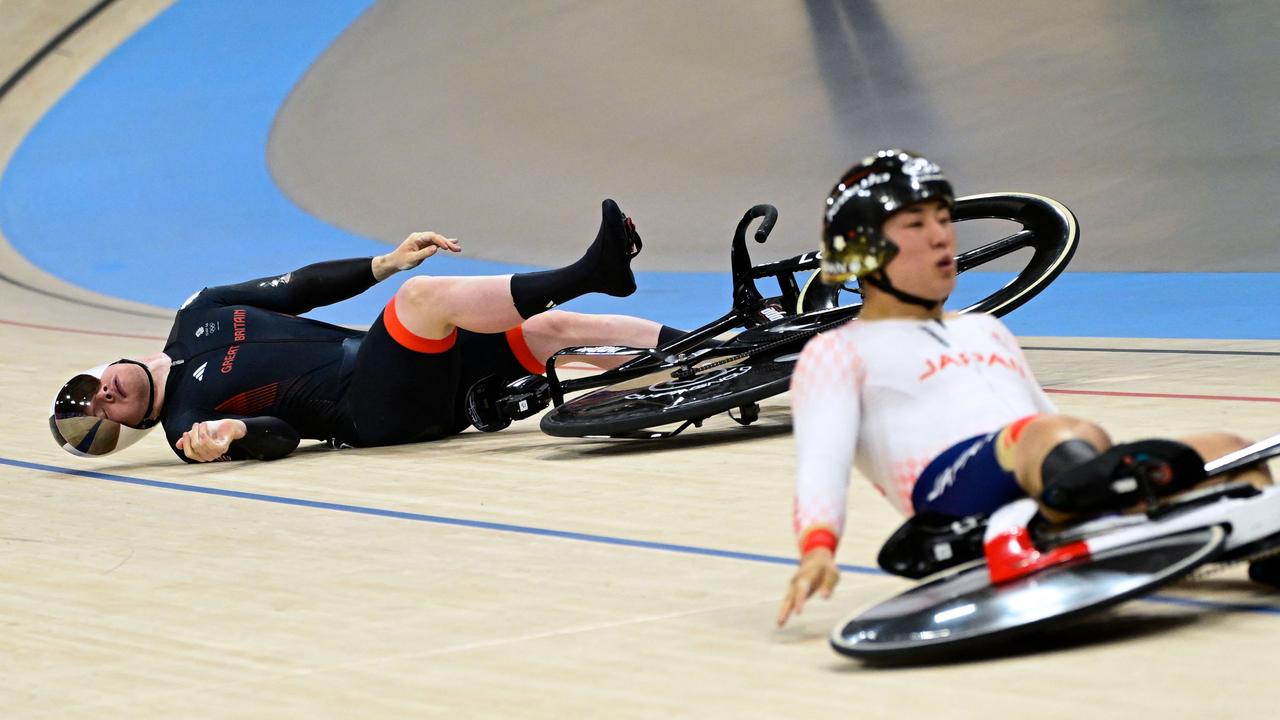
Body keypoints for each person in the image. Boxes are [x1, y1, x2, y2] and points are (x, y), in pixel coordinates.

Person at [775, 149, 1274, 626]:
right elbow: (823, 461)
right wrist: (818, 546)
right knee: (1041, 435)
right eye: (915, 224)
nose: (941, 237)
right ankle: (1103, 509)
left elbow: (1051, 424)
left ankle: (1264, 543)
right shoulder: (836, 352)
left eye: (944, 219)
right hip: (950, 502)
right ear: (863, 250)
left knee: (1232, 452)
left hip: (1041, 460)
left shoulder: (985, 329)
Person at [50, 199, 687, 463]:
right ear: (127, 429)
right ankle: (592, 269)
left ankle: (711, 349)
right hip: (372, 412)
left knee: (553, 330)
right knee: (423, 301)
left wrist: (382, 264)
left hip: (411, 370)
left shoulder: (199, 313)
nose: (103, 397)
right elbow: (284, 436)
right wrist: (235, 434)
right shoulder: (187, 421)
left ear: (104, 366)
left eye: (91, 388)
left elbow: (298, 288)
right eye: (100, 416)